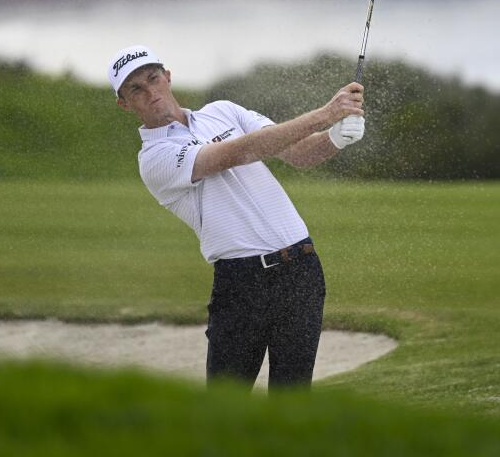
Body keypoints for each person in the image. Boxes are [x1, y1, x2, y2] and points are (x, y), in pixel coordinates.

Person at [109, 44, 365, 391]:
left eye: (153, 79)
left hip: (302, 268)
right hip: (243, 284)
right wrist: (326, 114)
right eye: (135, 89)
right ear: (124, 104)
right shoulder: (155, 158)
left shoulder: (223, 111)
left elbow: (300, 153)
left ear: (167, 77)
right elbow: (240, 152)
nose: (150, 92)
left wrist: (336, 138)